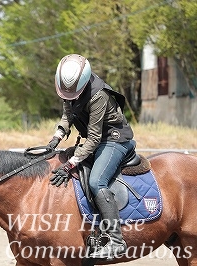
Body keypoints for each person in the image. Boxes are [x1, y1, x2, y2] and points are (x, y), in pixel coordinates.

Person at [47, 54, 136, 259]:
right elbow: (68, 114)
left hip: (113, 139)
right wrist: (57, 136)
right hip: (95, 139)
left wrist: (71, 164)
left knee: (97, 181)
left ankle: (116, 240)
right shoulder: (70, 89)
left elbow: (94, 138)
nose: (67, 96)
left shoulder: (99, 95)